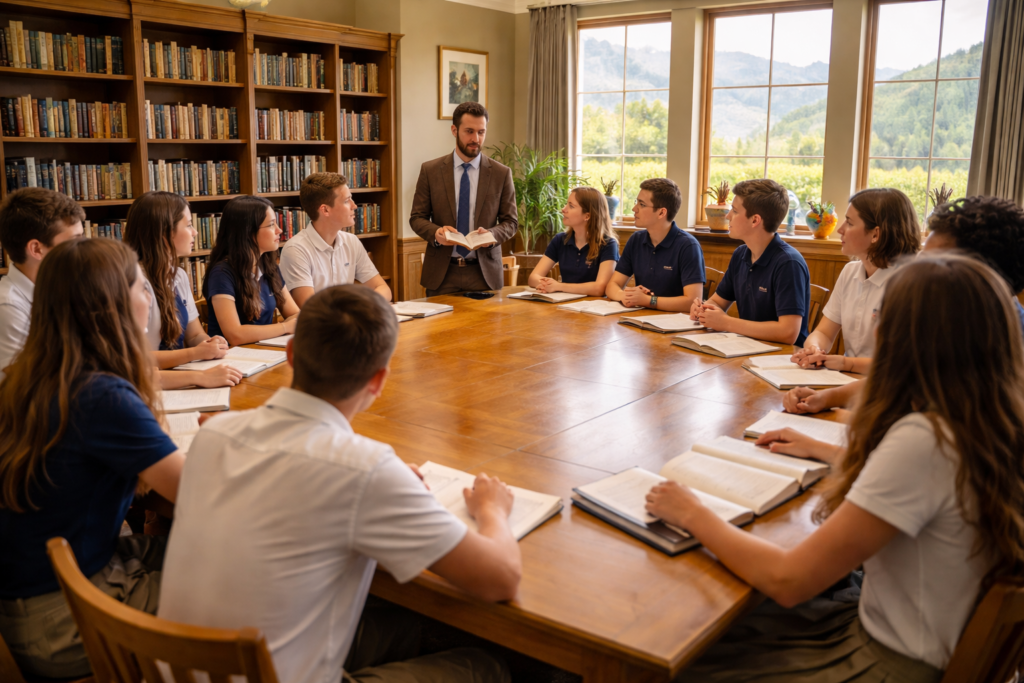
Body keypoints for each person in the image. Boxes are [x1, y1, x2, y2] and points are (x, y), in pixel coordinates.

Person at [652, 254, 1024, 682]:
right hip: (925, 634)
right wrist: (825, 451)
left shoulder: (924, 440)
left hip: (889, 660)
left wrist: (693, 513)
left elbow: (788, 579)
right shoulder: (989, 417)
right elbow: (934, 488)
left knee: (678, 651)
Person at [159, 285, 520, 683]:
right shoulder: (366, 471)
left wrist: (387, 483)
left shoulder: (214, 432)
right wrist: (492, 509)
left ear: (292, 355)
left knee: (404, 627)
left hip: (180, 671)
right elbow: (500, 578)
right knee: (488, 665)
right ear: (378, 381)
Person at [0, 238, 185, 678]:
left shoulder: (30, 373)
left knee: (201, 551)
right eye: (143, 288)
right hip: (63, 619)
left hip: (32, 595)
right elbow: (199, 490)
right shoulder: (100, 394)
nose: (150, 298)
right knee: (246, 585)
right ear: (110, 307)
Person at [784, 194, 1024, 416]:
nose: (919, 270)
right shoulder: (963, 315)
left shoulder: (994, 336)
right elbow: (899, 378)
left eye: (932, 263)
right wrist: (825, 399)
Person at [123, 191, 242, 390]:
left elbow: (194, 335)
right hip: (148, 387)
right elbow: (136, 360)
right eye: (188, 225)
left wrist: (210, 343)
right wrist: (195, 354)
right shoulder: (131, 283)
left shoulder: (178, 275)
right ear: (164, 233)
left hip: (177, 379)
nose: (195, 232)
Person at [791, 188, 920, 371]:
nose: (840, 229)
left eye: (850, 223)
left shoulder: (913, 282)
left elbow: (904, 363)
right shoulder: (850, 272)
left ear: (876, 234)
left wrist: (847, 364)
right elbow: (824, 333)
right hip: (848, 379)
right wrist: (814, 349)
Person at [410, 102, 518, 296]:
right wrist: (437, 233)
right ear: (454, 130)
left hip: (484, 274)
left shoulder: (501, 174)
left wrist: (491, 235)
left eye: (481, 132)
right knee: (440, 327)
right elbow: (417, 218)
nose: (475, 139)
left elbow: (511, 222)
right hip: (442, 274)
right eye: (469, 131)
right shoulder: (430, 171)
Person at [689, 179, 811, 345]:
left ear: (755, 220)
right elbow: (718, 302)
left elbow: (788, 333)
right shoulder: (741, 254)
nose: (728, 216)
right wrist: (703, 309)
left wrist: (726, 323)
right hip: (747, 348)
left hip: (783, 359)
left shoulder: (788, 263)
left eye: (734, 211)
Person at [0, 187, 84, 378]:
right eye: (75, 241)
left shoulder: (63, 289)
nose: (84, 249)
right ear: (37, 249)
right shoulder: (7, 306)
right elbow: (37, 379)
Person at [280, 172, 392, 307]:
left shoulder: (351, 241)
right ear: (325, 210)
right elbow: (311, 308)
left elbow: (383, 289)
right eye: (346, 201)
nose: (354, 206)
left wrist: (360, 306)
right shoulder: (296, 250)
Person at [202, 195, 300, 346]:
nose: (279, 230)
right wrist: (285, 327)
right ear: (247, 232)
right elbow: (235, 335)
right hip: (231, 359)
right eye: (271, 225)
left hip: (263, 351)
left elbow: (295, 314)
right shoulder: (221, 273)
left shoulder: (269, 266)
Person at [606, 178, 705, 311]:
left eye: (642, 204)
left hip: (675, 324)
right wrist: (624, 295)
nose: (634, 208)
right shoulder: (636, 240)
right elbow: (612, 285)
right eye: (637, 202)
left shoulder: (688, 246)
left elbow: (692, 301)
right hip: (639, 320)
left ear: (661, 212)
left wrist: (648, 300)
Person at [526, 186, 619, 296]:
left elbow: (599, 288)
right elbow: (533, 278)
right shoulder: (560, 240)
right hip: (565, 305)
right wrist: (549, 284)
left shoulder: (608, 244)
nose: (563, 209)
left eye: (571, 206)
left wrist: (559, 286)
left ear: (587, 216)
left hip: (595, 309)